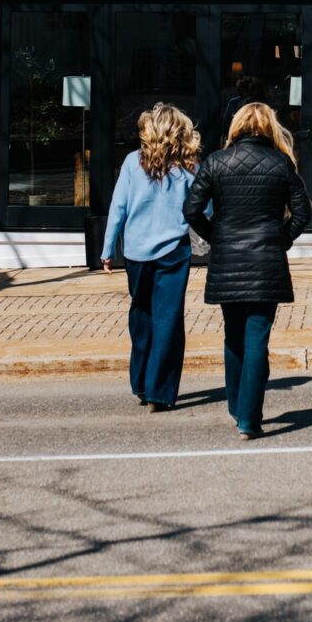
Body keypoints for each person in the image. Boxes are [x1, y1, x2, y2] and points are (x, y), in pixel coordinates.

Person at [184, 101, 312, 440]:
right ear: (270, 127)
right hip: (266, 262)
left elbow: (192, 209)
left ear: (236, 127)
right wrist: (279, 239)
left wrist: (217, 237)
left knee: (233, 336)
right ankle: (249, 419)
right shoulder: (281, 163)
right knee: (257, 339)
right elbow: (302, 214)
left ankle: (236, 406)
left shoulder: (216, 162)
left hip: (228, 261)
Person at [101, 102, 198, 412]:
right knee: (168, 320)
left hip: (136, 253)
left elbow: (118, 208)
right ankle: (160, 391)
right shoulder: (189, 168)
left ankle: (141, 383)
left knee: (141, 315)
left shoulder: (132, 162)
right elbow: (204, 210)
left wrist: (107, 249)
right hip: (173, 251)